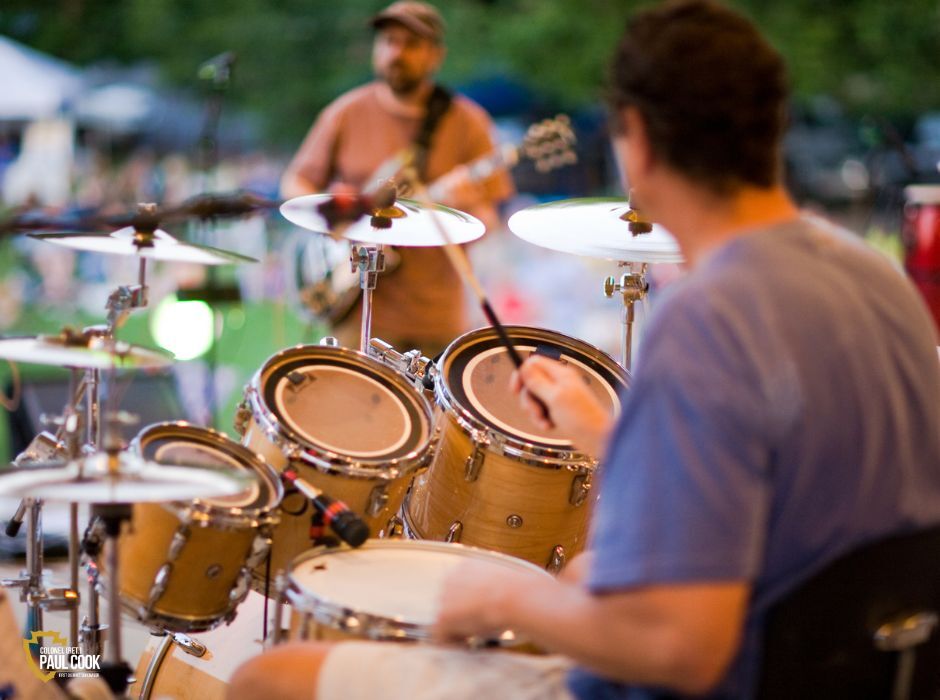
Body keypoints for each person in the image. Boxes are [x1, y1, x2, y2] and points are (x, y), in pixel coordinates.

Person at [229, 1, 940, 698]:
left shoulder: (710, 318)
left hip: (732, 676)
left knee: (269, 678)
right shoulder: (876, 278)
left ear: (636, 138)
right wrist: (609, 433)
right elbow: (782, 479)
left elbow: (682, 648)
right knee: (577, 574)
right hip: (866, 667)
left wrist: (503, 602)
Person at [281, 0, 514, 356]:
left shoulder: (469, 123)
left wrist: (467, 205)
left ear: (436, 55)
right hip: (357, 312)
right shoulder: (346, 113)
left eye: (411, 43)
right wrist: (333, 213)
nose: (396, 52)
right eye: (388, 41)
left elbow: (491, 223)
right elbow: (295, 184)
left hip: (436, 321)